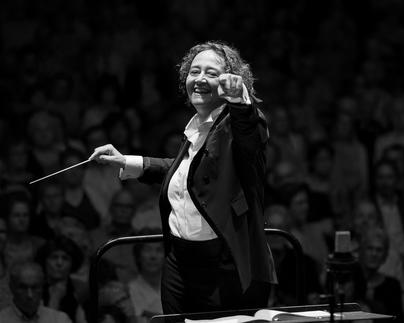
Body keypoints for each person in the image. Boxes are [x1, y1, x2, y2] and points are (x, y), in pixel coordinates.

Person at [90, 40, 276, 314]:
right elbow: (187, 174)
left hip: (225, 264)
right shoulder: (197, 127)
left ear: (230, 80)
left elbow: (251, 131)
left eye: (211, 73)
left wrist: (240, 101)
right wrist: (126, 161)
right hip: (179, 260)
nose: (199, 79)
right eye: (194, 71)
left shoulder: (238, 124)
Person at [0, 261, 72, 323]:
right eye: (23, 288)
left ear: (42, 287)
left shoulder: (60, 320)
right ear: (12, 287)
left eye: (35, 288)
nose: (29, 295)